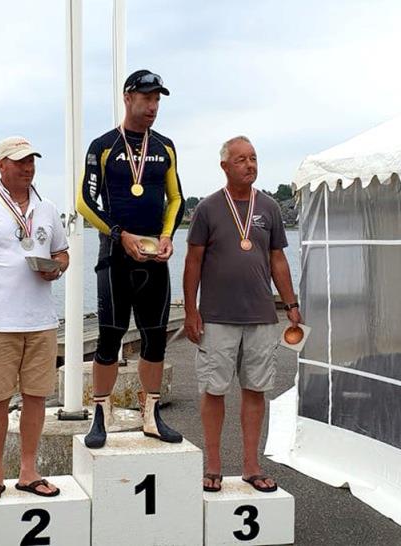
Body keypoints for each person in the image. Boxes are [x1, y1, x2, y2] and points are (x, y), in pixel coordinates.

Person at [183, 135, 302, 493]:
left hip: (261, 317)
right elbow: (193, 262)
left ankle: (251, 465)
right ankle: (214, 465)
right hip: (217, 317)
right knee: (215, 390)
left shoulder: (269, 208)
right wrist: (191, 310)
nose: (249, 165)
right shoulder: (207, 208)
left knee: (255, 391)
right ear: (224, 166)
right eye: (241, 160)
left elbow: (277, 259)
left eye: (253, 158)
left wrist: (291, 304)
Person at [0, 136, 69, 501]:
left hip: (41, 321)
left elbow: (62, 252)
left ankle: (29, 471)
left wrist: (58, 268)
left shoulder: (47, 208)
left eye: (31, 160)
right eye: (19, 161)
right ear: (0, 165)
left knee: (37, 397)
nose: (27, 167)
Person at [77, 69, 185, 448]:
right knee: (110, 338)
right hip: (116, 257)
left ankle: (151, 415)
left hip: (154, 259)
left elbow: (177, 199)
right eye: (146, 98)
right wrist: (120, 236)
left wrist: (168, 235)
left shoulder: (166, 146)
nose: (153, 106)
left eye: (157, 99)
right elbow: (85, 203)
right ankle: (100, 415)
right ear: (128, 98)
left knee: (156, 339)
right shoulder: (103, 145)